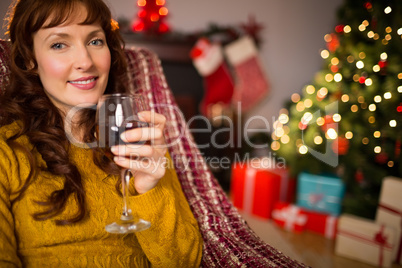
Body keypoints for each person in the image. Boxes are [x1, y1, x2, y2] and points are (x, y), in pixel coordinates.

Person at [0, 0, 203, 267]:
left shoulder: (136, 137)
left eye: (95, 41)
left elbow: (185, 262)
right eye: (59, 44)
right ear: (30, 59)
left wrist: (148, 189)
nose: (85, 61)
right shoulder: (8, 150)